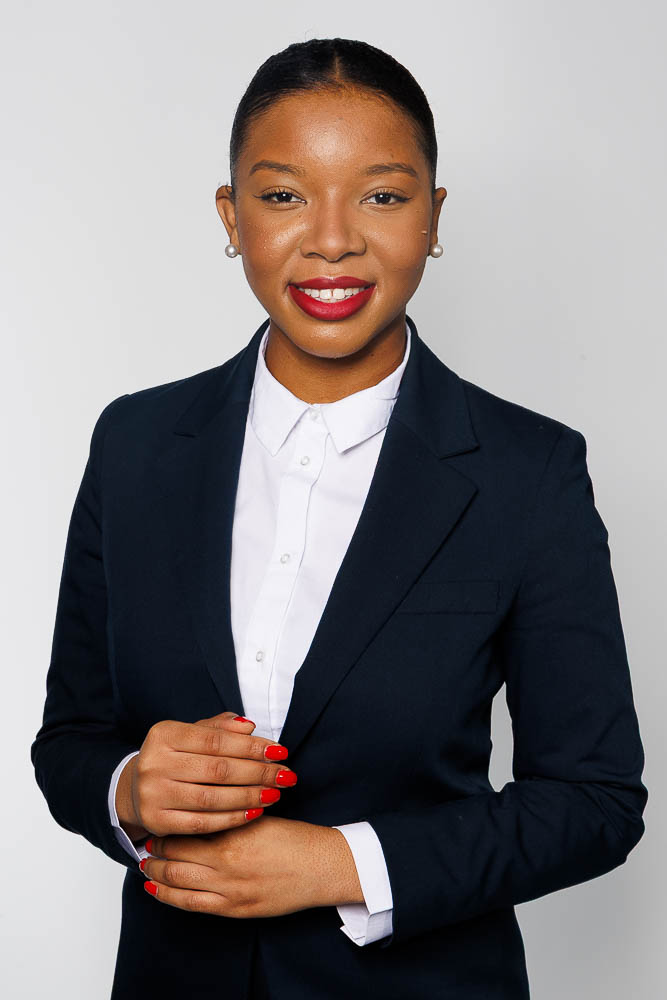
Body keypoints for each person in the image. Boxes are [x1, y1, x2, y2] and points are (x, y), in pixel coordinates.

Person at [31, 36, 648, 1000]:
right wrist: (127, 789)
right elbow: (70, 739)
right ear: (231, 217)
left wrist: (342, 865)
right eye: (283, 195)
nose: (331, 240)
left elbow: (593, 801)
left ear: (433, 217)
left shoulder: (529, 474)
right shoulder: (135, 444)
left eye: (381, 196)